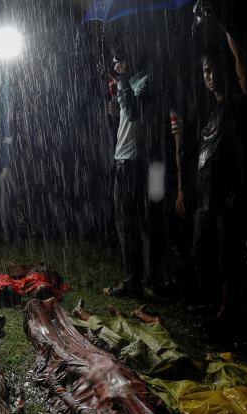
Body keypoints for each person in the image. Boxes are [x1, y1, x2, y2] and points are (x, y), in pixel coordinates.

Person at [186, 45, 247, 336]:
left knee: (229, 259)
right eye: (205, 70)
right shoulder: (211, 110)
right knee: (201, 254)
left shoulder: (238, 106)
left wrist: (239, 191)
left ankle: (230, 313)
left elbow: (245, 154)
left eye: (214, 69)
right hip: (206, 197)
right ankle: (219, 305)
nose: (210, 76)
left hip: (228, 197)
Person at [104, 44, 153, 298]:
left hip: (134, 162)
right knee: (125, 224)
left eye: (117, 60)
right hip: (122, 159)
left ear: (128, 58)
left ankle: (142, 280)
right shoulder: (127, 83)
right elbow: (126, 120)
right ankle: (136, 279)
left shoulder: (143, 81)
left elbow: (135, 113)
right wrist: (115, 114)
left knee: (135, 224)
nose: (115, 66)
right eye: (114, 61)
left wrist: (122, 85)